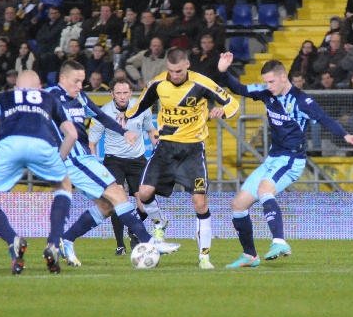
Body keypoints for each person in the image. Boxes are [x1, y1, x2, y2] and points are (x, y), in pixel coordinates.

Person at [217, 54, 353, 267]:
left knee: (265, 190)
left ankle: (280, 242)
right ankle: (250, 256)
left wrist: (345, 135)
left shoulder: (301, 100)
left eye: (271, 81)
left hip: (292, 159)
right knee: (238, 205)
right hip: (273, 159)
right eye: (266, 82)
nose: (268, 86)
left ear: (284, 78)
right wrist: (223, 72)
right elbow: (239, 89)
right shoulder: (266, 93)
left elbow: (323, 118)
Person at [44, 61, 180, 268]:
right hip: (72, 158)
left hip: (84, 158)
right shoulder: (49, 96)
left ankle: (66, 240)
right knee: (118, 195)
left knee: (107, 205)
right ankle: (149, 241)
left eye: (82, 81)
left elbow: (100, 116)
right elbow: (26, 116)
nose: (81, 85)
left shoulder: (79, 96)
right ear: (63, 79)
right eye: (76, 81)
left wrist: (124, 131)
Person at [120, 48, 240, 269]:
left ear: (187, 65)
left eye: (178, 71)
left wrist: (223, 111)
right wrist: (125, 115)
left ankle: (204, 256)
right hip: (165, 147)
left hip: (193, 150)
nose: (174, 75)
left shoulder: (201, 82)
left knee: (200, 202)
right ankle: (160, 223)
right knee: (144, 193)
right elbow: (141, 104)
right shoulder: (158, 83)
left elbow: (232, 103)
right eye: (171, 71)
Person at [0, 70, 77, 275]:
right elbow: (71, 134)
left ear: (16, 88)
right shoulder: (49, 97)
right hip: (42, 144)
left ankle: (13, 241)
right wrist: (59, 161)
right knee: (63, 186)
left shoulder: (4, 97)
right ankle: (54, 244)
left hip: (10, 144)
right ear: (40, 88)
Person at [88, 78, 168, 256]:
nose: (122, 97)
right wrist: (94, 167)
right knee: (119, 200)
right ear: (112, 94)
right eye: (118, 93)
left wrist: (160, 152)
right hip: (113, 160)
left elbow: (150, 131)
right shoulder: (103, 112)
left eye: (125, 93)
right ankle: (119, 245)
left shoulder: (142, 108)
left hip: (137, 160)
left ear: (131, 93)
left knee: (144, 203)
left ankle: (133, 231)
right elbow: (91, 143)